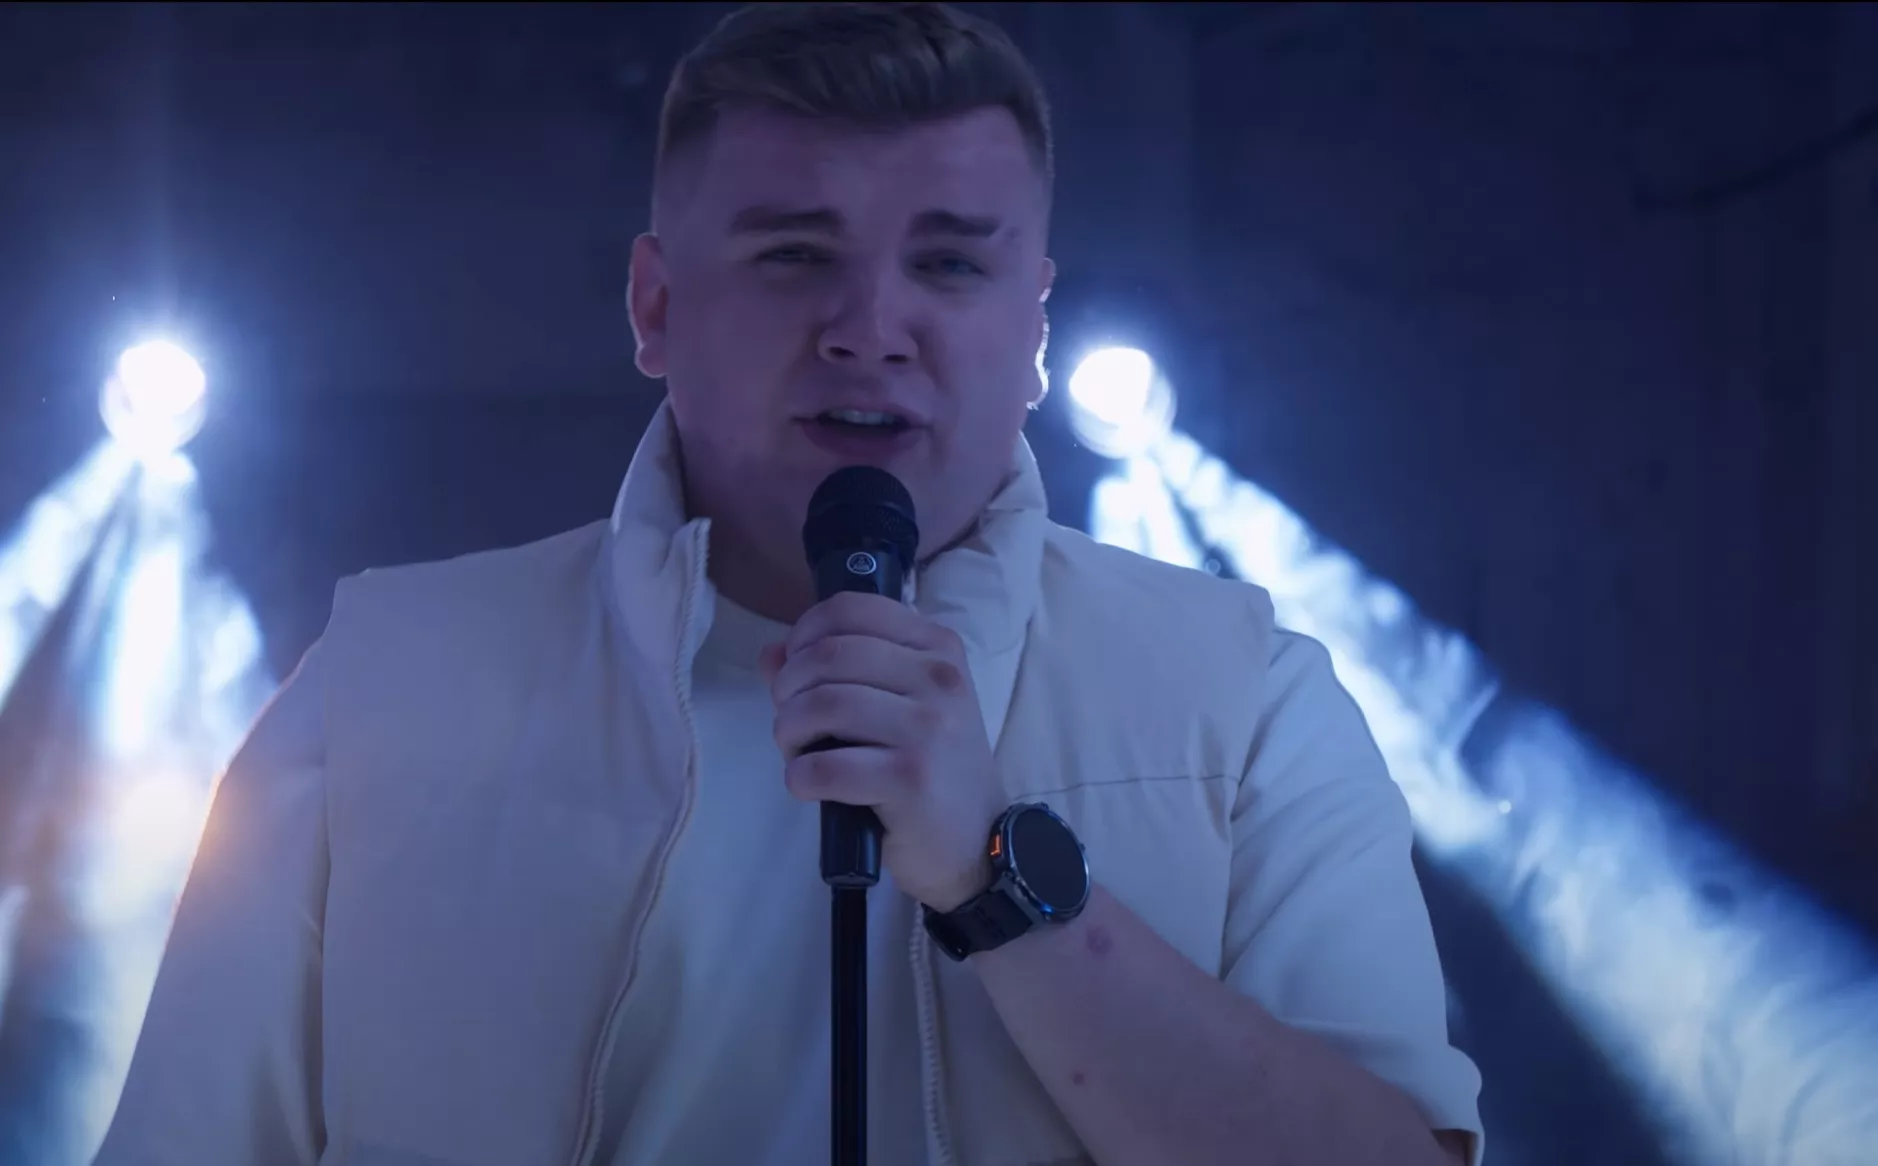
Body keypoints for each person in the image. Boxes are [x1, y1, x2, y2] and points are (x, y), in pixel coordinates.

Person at [96, 4, 1484, 1165]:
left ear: (1036, 328)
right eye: (793, 256)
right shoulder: (384, 685)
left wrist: (994, 875)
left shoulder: (1245, 697)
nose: (869, 329)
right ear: (654, 306)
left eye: (950, 262)